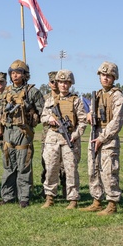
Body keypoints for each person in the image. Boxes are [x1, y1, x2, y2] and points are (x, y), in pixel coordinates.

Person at [0, 60, 44, 207]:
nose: (15, 75)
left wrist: (31, 114)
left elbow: (42, 113)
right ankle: (8, 196)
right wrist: (0, 126)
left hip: (23, 132)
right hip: (8, 132)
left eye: (18, 72)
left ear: (25, 74)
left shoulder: (32, 92)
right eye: (12, 72)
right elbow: (1, 112)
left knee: (24, 165)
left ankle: (24, 197)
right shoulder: (7, 91)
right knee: (8, 165)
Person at [40, 69, 87, 209]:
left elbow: (83, 121)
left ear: (70, 84)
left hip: (70, 139)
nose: (63, 85)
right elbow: (43, 117)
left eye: (66, 82)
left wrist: (76, 135)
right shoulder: (50, 100)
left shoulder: (76, 101)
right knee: (51, 168)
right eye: (61, 82)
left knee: (71, 170)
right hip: (53, 139)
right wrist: (49, 119)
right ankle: (49, 197)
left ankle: (73, 199)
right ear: (57, 83)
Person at [84, 62, 123, 215]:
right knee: (93, 169)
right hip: (95, 133)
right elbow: (91, 113)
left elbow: (117, 122)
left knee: (108, 171)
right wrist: (89, 115)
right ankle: (96, 200)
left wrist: (102, 138)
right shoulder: (97, 95)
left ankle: (112, 204)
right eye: (103, 75)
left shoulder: (118, 97)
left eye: (109, 75)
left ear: (114, 77)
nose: (105, 78)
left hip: (108, 137)